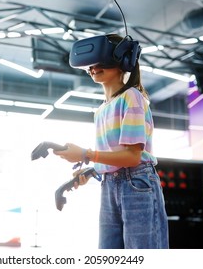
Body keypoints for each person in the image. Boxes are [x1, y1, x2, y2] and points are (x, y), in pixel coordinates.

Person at [53, 34, 169, 249]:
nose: (93, 67)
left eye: (101, 62)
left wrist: (87, 155)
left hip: (136, 183)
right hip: (110, 184)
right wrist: (91, 171)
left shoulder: (132, 97)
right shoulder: (101, 110)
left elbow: (132, 157)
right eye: (91, 64)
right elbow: (114, 155)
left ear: (124, 61)